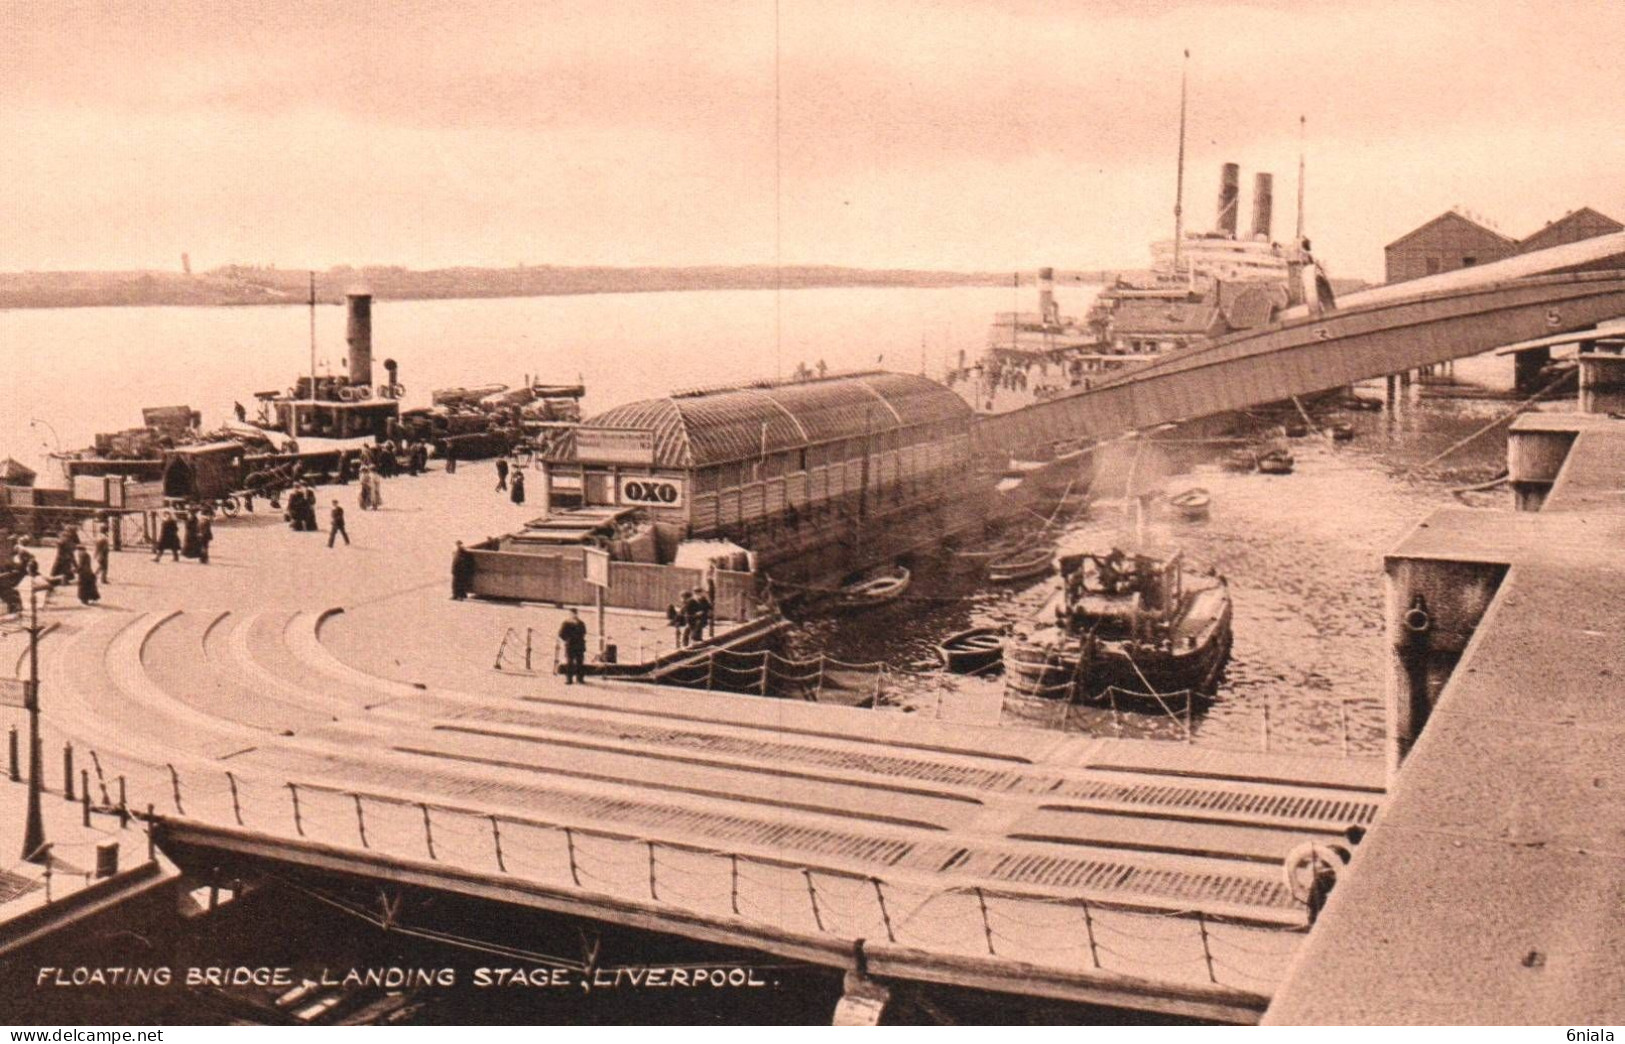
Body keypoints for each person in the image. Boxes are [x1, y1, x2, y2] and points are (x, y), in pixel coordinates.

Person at [557, 608, 588, 685]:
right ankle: (569, 679)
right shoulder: (566, 623)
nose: (573, 615)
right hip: (570, 645)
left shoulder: (581, 623)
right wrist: (567, 640)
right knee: (569, 662)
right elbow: (561, 634)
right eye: (572, 614)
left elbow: (584, 632)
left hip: (579, 645)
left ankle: (580, 678)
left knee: (580, 662)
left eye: (575, 613)